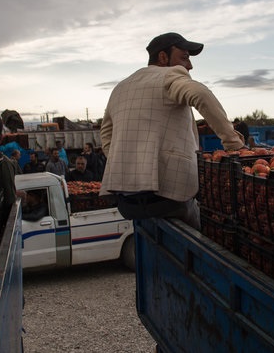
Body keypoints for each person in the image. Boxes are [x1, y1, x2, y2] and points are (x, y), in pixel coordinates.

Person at [100, 32, 245, 229]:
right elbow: (201, 94)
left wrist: (126, 163)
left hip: (126, 204)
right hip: (168, 200)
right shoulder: (169, 75)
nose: (189, 66)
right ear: (162, 57)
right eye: (184, 58)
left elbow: (106, 136)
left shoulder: (120, 87)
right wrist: (233, 144)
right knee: (209, 230)